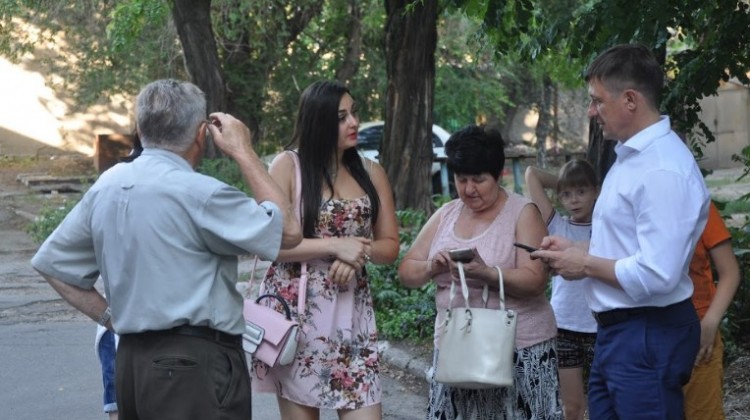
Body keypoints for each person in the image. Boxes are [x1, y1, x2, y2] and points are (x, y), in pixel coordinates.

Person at [31, 79, 302, 419]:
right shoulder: (201, 193)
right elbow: (289, 232)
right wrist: (242, 150)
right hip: (194, 364)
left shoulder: (107, 186)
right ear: (201, 134)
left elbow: (53, 264)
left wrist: (109, 318)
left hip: (132, 360)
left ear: (140, 130)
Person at [533, 44, 710, 419]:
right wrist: (576, 250)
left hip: (646, 332)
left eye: (597, 100)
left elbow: (657, 273)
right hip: (621, 333)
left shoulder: (661, 169)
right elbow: (628, 245)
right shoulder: (631, 157)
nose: (590, 111)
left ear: (630, 99)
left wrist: (584, 264)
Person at [251, 80, 400, 420]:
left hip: (352, 315)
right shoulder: (288, 166)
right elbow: (268, 244)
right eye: (341, 117)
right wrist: (336, 245)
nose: (354, 122)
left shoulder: (372, 172)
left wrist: (357, 252)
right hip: (297, 313)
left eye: (354, 113)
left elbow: (390, 247)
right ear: (318, 122)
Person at [398, 125, 562, 419]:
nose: (469, 189)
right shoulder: (446, 214)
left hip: (520, 350)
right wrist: (432, 266)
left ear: (498, 175)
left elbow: (536, 280)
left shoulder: (523, 212)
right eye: (461, 179)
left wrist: (487, 273)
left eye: (478, 179)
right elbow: (407, 271)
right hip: (456, 350)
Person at [524, 159, 599, 420]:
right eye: (566, 194)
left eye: (582, 191)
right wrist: (567, 180)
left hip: (600, 327)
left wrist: (573, 181)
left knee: (605, 403)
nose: (574, 200)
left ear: (596, 191)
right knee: (572, 407)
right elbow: (531, 174)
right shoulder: (557, 225)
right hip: (565, 326)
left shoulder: (607, 227)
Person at [94, 132, 142, 420]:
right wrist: (108, 317)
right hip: (121, 335)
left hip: (126, 331)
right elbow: (54, 263)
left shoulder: (113, 183)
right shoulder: (117, 186)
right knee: (120, 410)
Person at [684, 201, 741, 419]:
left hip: (699, 331)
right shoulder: (626, 203)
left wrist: (710, 322)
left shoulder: (696, 203)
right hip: (646, 333)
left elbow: (730, 271)